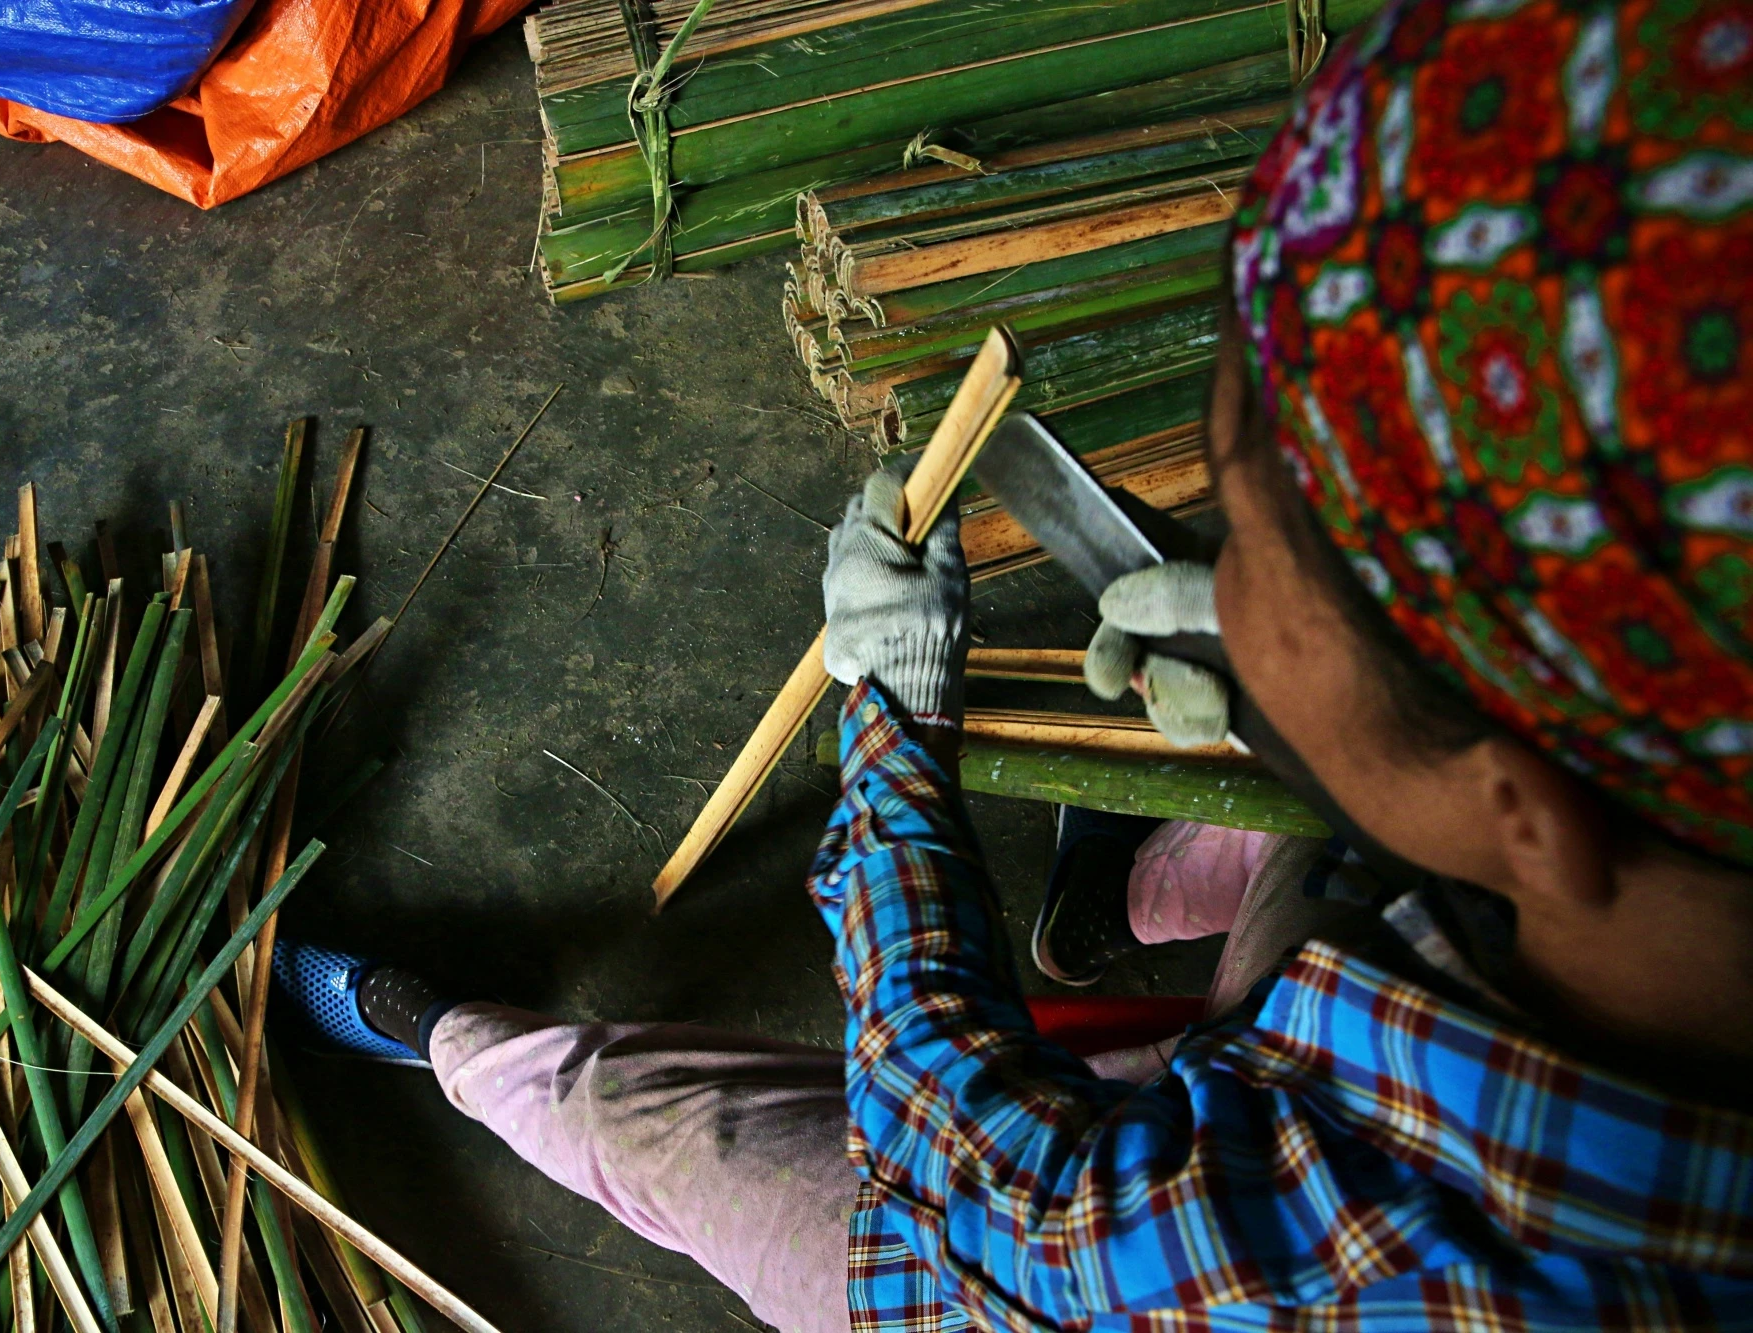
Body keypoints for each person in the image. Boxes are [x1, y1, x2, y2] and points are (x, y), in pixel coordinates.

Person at [275, 0, 1753, 1326]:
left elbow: (954, 1142)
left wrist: (896, 725)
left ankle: (460, 1050)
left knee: (668, 1132)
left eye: (1259, 546)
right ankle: (1114, 911)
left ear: (1528, 809)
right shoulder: (1658, 857)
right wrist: (1295, 703)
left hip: (1002, 1270)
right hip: (1381, 1010)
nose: (1224, 572)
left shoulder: (1353, 1264)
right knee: (1300, 827)